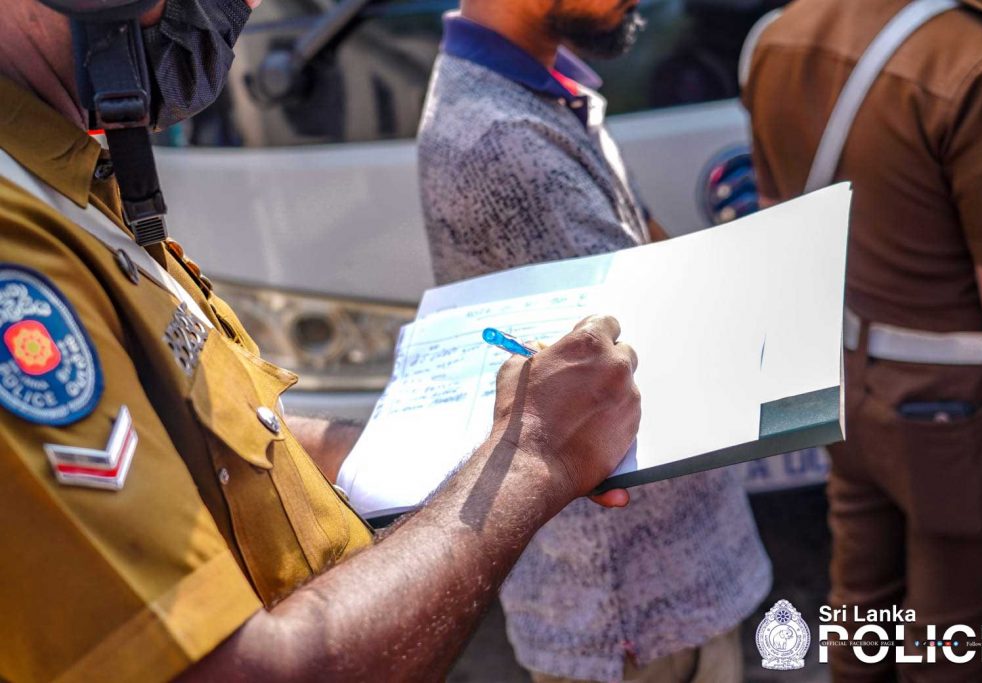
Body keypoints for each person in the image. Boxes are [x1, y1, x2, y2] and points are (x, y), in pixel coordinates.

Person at [0, 0, 644, 680]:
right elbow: (247, 671)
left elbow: (214, 434)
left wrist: (463, 444)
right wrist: (529, 459)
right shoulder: (19, 249)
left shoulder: (63, 181)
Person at [417, 3, 772, 681]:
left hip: (654, 588)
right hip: (635, 613)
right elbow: (631, 348)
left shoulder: (535, 88)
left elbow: (644, 259)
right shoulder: (503, 140)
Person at [744, 0, 982, 680]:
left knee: (865, 608)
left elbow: (779, 235)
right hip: (959, 416)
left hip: (843, 387)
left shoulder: (777, 36)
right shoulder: (980, 60)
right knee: (962, 646)